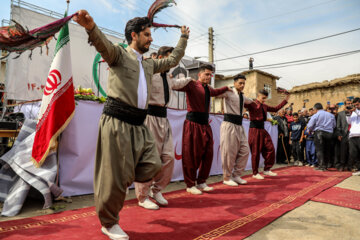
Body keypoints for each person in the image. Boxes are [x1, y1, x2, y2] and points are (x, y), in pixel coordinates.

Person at [73, 10, 189, 240]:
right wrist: (91, 26)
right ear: (134, 36)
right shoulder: (118, 55)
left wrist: (183, 38)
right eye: (147, 35)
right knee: (114, 178)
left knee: (154, 163)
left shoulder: (149, 65)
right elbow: (102, 44)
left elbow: (173, 60)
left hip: (139, 125)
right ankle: (109, 222)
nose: (151, 39)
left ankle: (128, 181)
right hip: (117, 121)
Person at [134, 46, 192, 210]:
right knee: (149, 158)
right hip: (150, 117)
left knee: (168, 158)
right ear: (159, 58)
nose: (171, 62)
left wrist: (190, 79)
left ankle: (156, 190)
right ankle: (142, 196)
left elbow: (175, 84)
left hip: (163, 119)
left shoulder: (168, 76)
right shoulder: (148, 72)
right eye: (168, 58)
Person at [175, 64, 230, 194]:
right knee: (191, 155)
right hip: (193, 124)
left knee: (208, 154)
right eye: (206, 74)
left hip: (206, 125)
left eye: (210, 75)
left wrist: (227, 87)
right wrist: (187, 79)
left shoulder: (208, 89)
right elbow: (174, 86)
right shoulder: (191, 85)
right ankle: (190, 184)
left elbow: (216, 92)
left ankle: (201, 182)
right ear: (199, 74)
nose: (209, 77)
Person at [245, 89, 289, 179]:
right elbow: (243, 103)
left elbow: (276, 108)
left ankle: (267, 169)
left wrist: (286, 99)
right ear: (258, 96)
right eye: (263, 98)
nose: (264, 100)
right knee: (255, 152)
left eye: (265, 98)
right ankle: (255, 173)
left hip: (262, 130)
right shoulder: (252, 104)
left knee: (270, 148)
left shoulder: (264, 106)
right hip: (254, 130)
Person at [218, 74, 252, 187]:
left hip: (239, 125)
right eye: (240, 83)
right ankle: (226, 177)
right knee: (229, 152)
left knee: (245, 150)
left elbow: (251, 102)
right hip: (229, 124)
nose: (242, 85)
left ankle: (236, 175)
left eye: (244, 83)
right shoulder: (229, 92)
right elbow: (216, 94)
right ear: (234, 83)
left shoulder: (242, 96)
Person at [307, 103, 336, 171]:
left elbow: (310, 125)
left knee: (319, 150)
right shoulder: (331, 115)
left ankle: (321, 166)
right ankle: (326, 165)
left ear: (315, 109)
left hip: (319, 133)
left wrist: (310, 130)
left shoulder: (316, 115)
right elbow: (334, 125)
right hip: (329, 133)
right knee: (327, 150)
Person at [336, 99, 352, 171]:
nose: (349, 105)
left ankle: (350, 165)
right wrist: (339, 134)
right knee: (343, 150)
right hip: (344, 134)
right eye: (348, 104)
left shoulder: (354, 113)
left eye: (350, 103)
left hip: (353, 133)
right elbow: (338, 125)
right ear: (345, 105)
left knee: (352, 150)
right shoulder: (341, 114)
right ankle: (342, 165)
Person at [348, 98, 360, 176]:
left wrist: (355, 110)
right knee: (353, 154)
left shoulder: (356, 111)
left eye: (357, 104)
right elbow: (349, 122)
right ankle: (359, 169)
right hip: (352, 135)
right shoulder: (353, 112)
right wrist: (349, 113)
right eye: (354, 105)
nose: (355, 106)